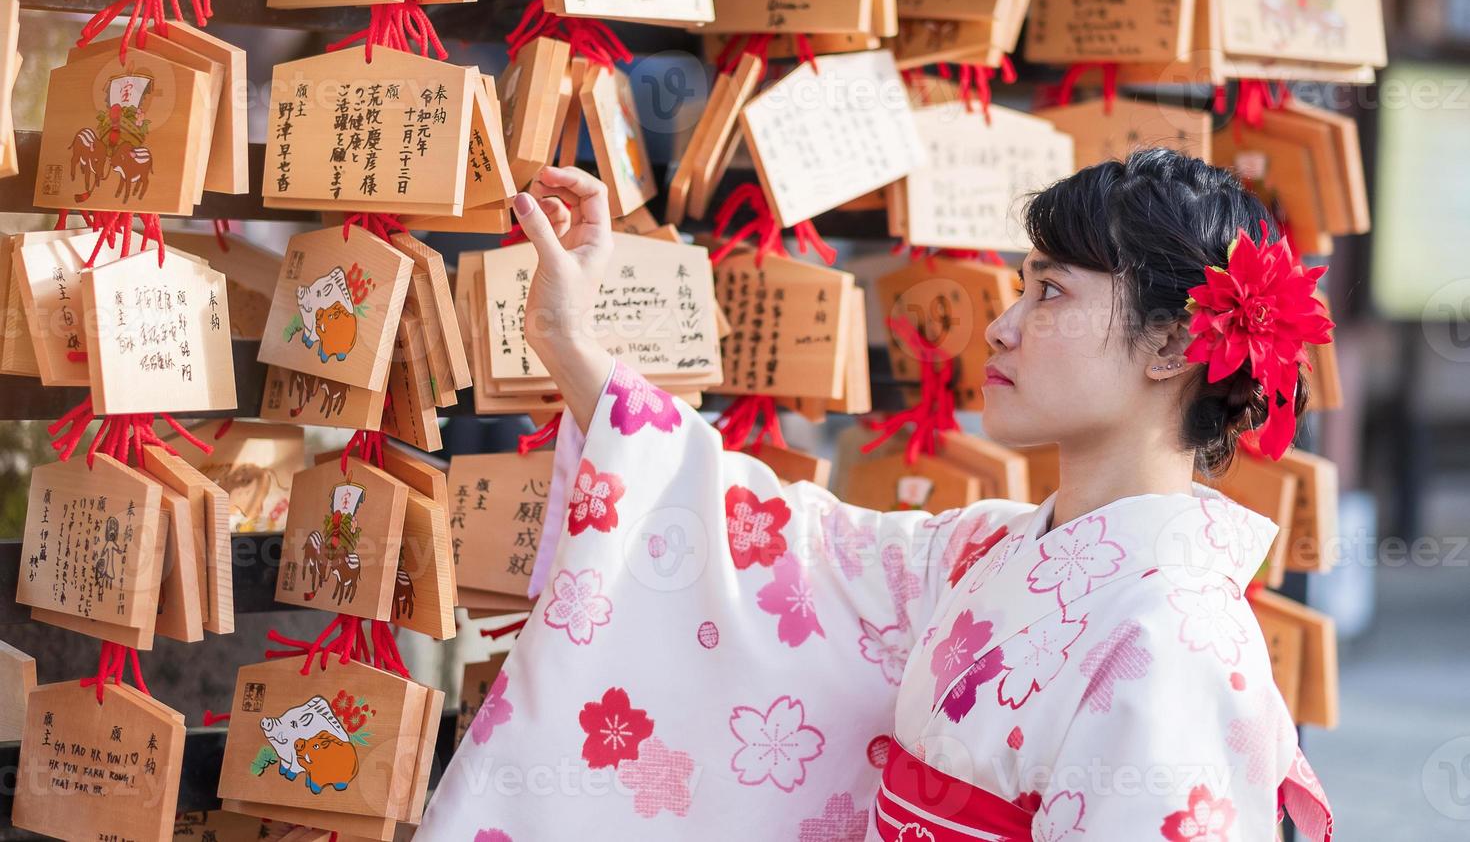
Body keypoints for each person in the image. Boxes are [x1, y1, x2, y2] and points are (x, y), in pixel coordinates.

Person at [421, 149, 1336, 841]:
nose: (1005, 326)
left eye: (1050, 291)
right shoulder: (982, 554)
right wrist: (568, 340)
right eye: (1020, 286)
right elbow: (766, 543)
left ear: (1173, 346)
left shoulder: (1176, 636)